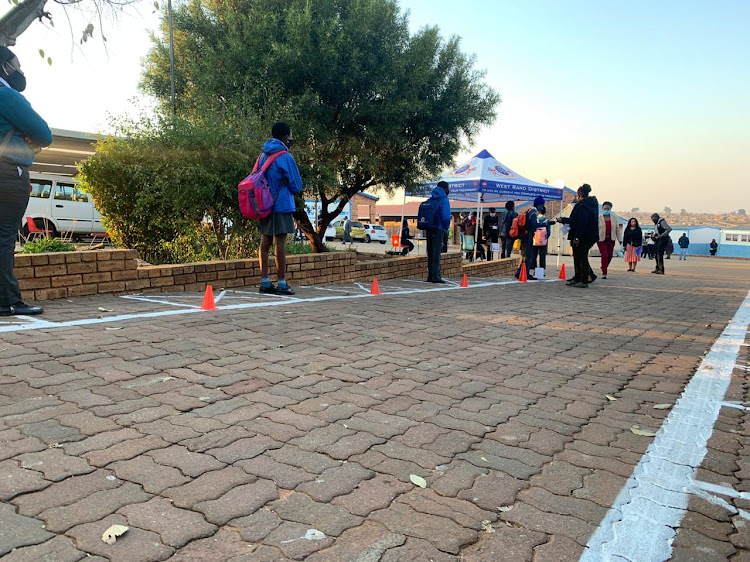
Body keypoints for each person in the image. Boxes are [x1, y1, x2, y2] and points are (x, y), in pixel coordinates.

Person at [0, 47, 52, 316]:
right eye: (17, 66)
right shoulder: (6, 94)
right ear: (4, 67)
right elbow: (43, 133)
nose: (21, 72)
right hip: (7, 174)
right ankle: (7, 300)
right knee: (5, 236)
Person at [257, 122, 303, 295]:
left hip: (264, 204)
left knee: (265, 242)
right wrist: (286, 182)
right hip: (281, 204)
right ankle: (282, 283)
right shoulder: (285, 156)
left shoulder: (263, 155)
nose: (291, 139)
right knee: (280, 243)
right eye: (290, 135)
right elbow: (296, 186)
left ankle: (264, 281)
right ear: (285, 137)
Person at [557, 184, 599, 288]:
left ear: (580, 194)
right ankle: (578, 276)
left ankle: (584, 279)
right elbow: (576, 220)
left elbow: (581, 223)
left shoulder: (583, 206)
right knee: (577, 256)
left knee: (582, 257)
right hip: (587, 235)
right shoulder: (590, 205)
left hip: (583, 236)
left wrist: (577, 237)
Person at [425, 181, 451, 283]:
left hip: (429, 227)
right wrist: (445, 228)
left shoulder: (431, 199)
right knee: (437, 252)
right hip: (439, 228)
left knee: (430, 252)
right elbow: (445, 216)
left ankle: (430, 275)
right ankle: (436, 276)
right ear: (445, 188)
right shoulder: (444, 199)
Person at [596, 201, 622, 279]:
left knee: (610, 256)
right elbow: (595, 228)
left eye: (608, 208)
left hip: (611, 239)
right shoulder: (598, 218)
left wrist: (620, 239)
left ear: (610, 209)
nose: (606, 210)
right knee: (604, 255)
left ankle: (604, 266)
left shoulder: (614, 218)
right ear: (602, 209)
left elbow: (617, 229)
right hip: (601, 239)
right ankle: (604, 273)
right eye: (605, 208)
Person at [531, 205, 552, 272]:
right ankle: (541, 268)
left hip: (534, 240)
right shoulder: (546, 220)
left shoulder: (535, 220)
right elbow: (548, 232)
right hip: (543, 241)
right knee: (542, 255)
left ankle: (533, 267)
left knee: (534, 255)